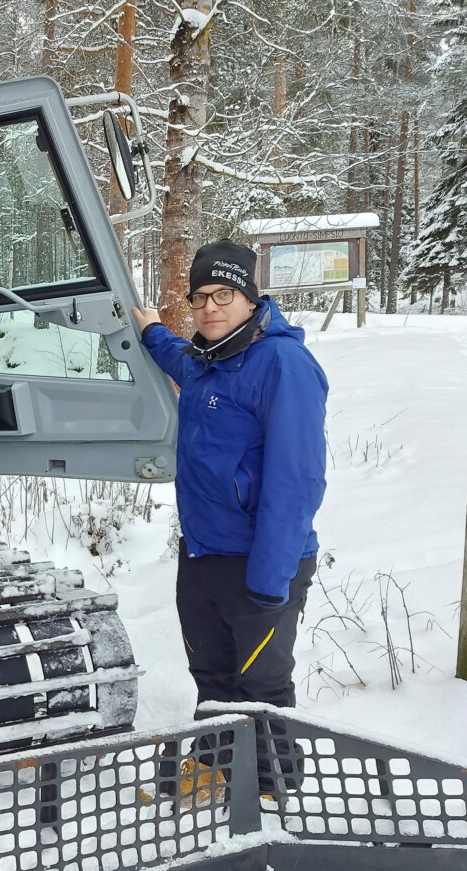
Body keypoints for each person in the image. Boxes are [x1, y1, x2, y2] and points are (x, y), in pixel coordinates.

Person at [131, 239, 328, 796]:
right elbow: (177, 357)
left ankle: (272, 784)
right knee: (211, 672)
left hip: (262, 560)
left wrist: (270, 580)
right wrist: (150, 332)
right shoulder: (204, 361)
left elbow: (297, 481)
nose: (210, 307)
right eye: (199, 297)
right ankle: (215, 765)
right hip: (203, 553)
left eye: (224, 294)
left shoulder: (282, 364)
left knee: (261, 680)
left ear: (250, 298)